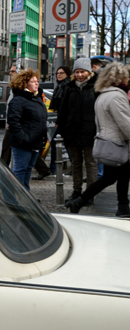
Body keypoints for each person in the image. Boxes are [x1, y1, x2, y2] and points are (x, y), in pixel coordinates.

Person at [66, 62, 130, 217]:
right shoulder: (116, 97)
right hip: (118, 143)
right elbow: (125, 123)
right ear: (120, 78)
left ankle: (121, 207)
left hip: (109, 142)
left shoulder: (104, 94)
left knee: (114, 177)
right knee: (114, 177)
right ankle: (83, 201)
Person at [57, 57, 98, 202]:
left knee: (91, 163)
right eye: (77, 72)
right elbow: (63, 111)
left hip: (90, 131)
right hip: (72, 131)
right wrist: (61, 130)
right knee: (76, 163)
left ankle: (90, 194)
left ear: (89, 72)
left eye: (83, 72)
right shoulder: (70, 87)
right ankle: (76, 191)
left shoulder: (95, 87)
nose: (80, 75)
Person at [7, 69, 47, 191]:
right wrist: (24, 138)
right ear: (24, 84)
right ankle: (18, 196)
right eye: (33, 81)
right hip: (24, 143)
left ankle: (26, 196)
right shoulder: (18, 100)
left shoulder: (36, 98)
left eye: (37, 81)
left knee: (28, 170)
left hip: (35, 141)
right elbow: (13, 122)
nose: (37, 84)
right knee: (20, 170)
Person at [44, 66, 73, 176]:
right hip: (62, 120)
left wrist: (58, 122)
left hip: (65, 121)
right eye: (57, 73)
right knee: (62, 144)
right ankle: (55, 167)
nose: (59, 75)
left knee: (57, 143)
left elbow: (64, 107)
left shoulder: (66, 86)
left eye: (61, 73)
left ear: (67, 74)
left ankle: (54, 168)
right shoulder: (60, 86)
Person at [1, 65, 18, 164]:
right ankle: (43, 169)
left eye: (13, 71)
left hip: (14, 123)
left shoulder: (18, 88)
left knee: (6, 146)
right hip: (12, 122)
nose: (10, 73)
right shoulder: (13, 87)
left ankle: (3, 167)